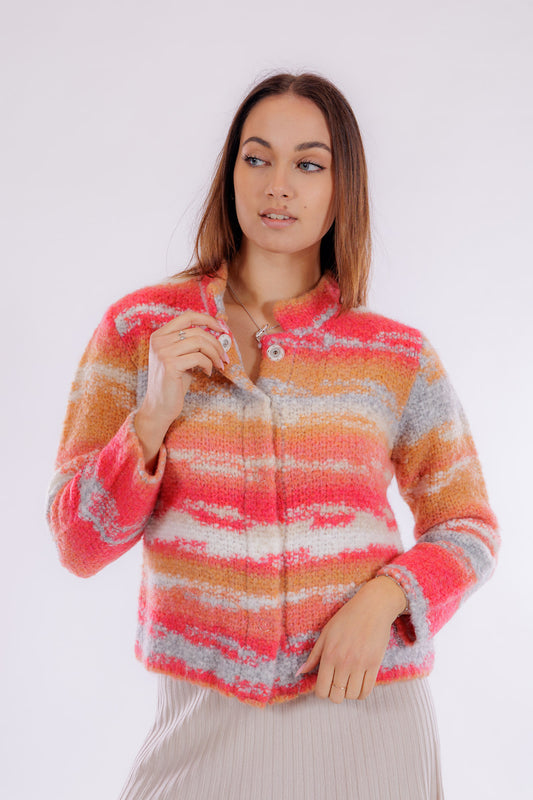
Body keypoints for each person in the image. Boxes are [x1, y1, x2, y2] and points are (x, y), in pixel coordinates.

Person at [47, 72, 499, 800]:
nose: (277, 185)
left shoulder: (395, 355)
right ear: (230, 173)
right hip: (202, 724)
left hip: (369, 717)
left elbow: (469, 528)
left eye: (308, 164)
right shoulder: (139, 330)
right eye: (256, 158)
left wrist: (385, 599)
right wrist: (151, 420)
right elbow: (77, 543)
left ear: (342, 187)